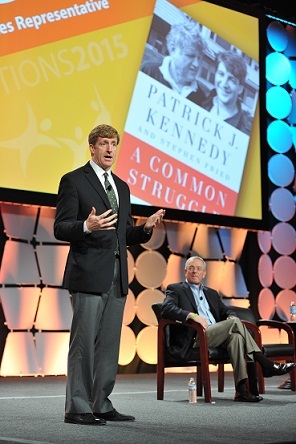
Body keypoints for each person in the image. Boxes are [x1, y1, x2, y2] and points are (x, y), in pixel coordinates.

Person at [54, 124, 165, 425]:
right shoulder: (74, 181)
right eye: (104, 143)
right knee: (83, 344)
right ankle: (77, 407)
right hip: (88, 274)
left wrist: (143, 229)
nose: (109, 149)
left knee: (108, 346)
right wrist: (87, 226)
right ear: (92, 147)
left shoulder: (122, 186)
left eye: (114, 144)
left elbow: (123, 233)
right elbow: (60, 227)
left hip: (118, 276)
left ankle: (101, 403)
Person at [161, 256, 296, 402]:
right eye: (191, 268)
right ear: (185, 271)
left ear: (204, 273)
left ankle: (241, 390)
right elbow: (167, 309)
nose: (195, 271)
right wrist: (192, 316)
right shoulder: (176, 289)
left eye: (198, 268)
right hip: (196, 336)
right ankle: (264, 362)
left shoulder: (211, 293)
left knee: (236, 337)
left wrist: (231, 317)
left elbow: (226, 311)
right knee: (236, 324)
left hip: (215, 334)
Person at [141, 20, 207, 105]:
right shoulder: (147, 72)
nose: (196, 64)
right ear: (172, 49)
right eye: (190, 55)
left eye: (199, 58)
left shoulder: (201, 98)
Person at [202, 51, 252, 135]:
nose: (224, 84)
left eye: (232, 80)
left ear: (240, 89)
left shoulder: (245, 132)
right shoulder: (200, 99)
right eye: (221, 74)